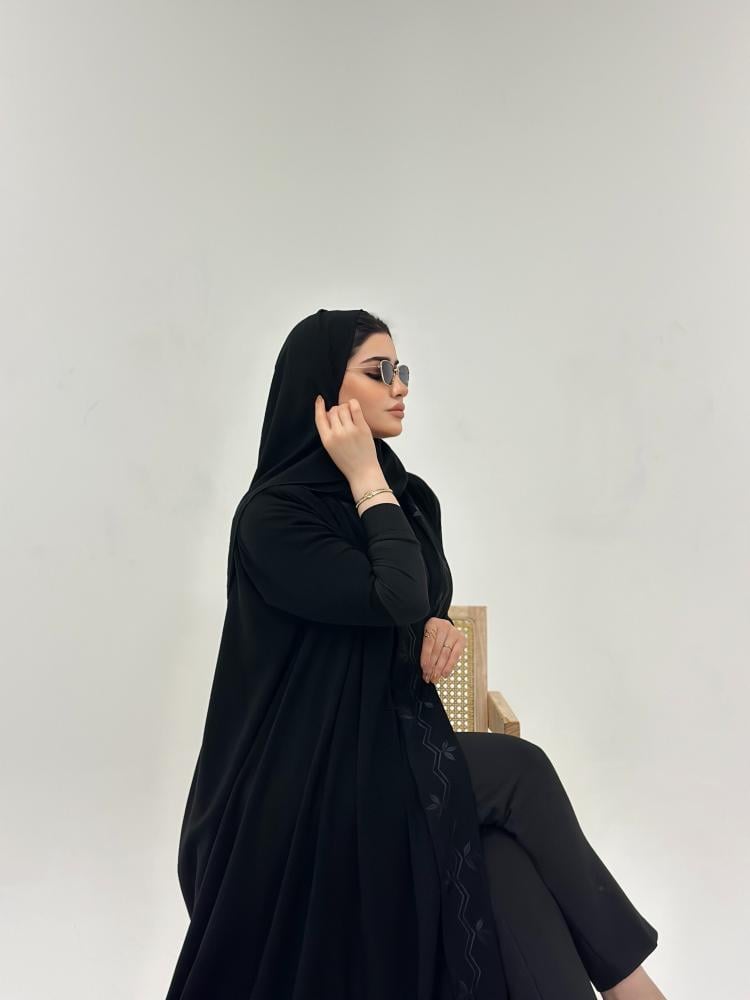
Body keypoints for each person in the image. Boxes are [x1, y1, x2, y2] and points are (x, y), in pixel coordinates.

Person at [164, 308, 666, 1000]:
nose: (400, 386)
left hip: (388, 752)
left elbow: (421, 593)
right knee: (520, 772)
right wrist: (364, 477)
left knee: (502, 860)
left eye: (401, 369)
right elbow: (394, 591)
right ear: (322, 392)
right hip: (301, 785)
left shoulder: (411, 499)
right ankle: (636, 989)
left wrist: (437, 623)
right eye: (378, 372)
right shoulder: (274, 518)